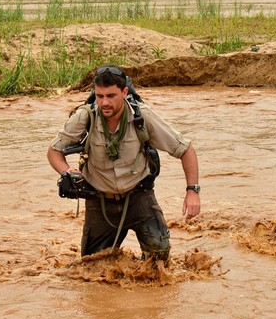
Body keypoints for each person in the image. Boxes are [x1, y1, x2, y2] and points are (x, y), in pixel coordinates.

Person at [47, 65, 201, 262]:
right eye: (100, 96)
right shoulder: (86, 117)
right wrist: (67, 172)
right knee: (92, 268)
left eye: (111, 96)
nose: (105, 102)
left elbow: (185, 150)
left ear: (125, 92)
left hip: (139, 197)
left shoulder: (142, 117)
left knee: (158, 263)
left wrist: (192, 191)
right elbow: (54, 151)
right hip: (100, 202)